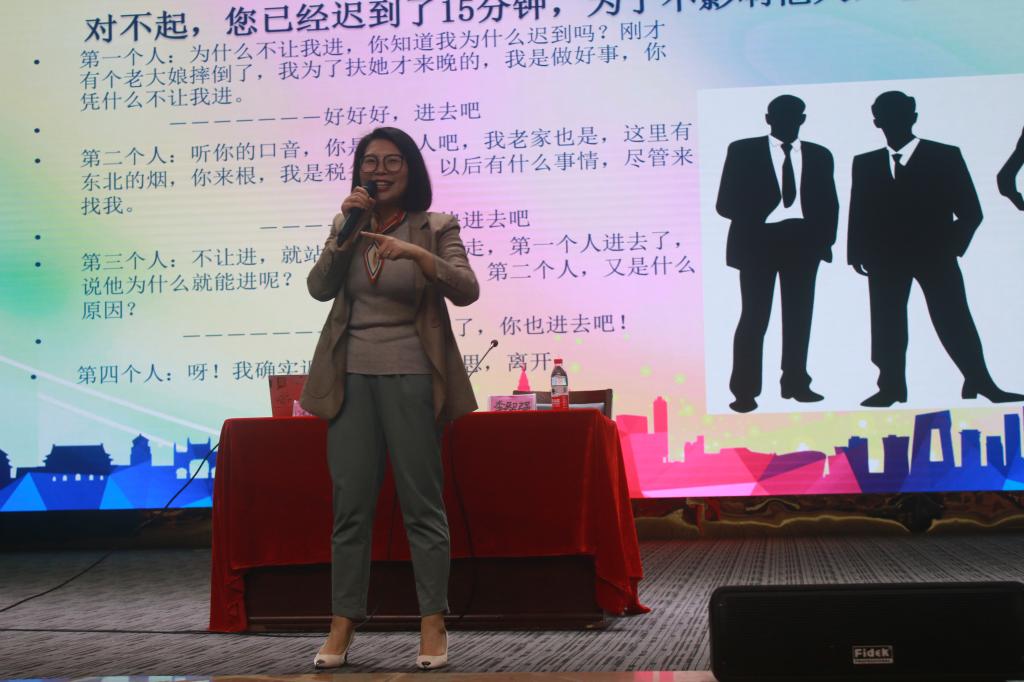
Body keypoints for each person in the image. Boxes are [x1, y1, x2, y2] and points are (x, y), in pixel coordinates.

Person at [298, 127, 480, 670]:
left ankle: (432, 621)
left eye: (392, 161)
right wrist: (344, 233)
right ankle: (342, 622)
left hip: (413, 375)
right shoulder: (346, 225)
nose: (380, 171)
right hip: (350, 378)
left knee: (422, 504)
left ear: (410, 170)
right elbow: (319, 288)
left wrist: (419, 256)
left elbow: (466, 288)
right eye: (370, 162)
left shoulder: (436, 227)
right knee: (350, 507)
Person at [848, 91, 1023, 407]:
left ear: (913, 118)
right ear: (877, 122)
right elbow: (858, 211)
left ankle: (980, 380)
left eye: (899, 115)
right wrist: (856, 252)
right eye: (886, 116)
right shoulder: (865, 163)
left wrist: (948, 248)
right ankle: (891, 388)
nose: (893, 122)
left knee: (954, 319)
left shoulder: (944, 155)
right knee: (886, 324)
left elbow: (971, 212)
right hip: (884, 259)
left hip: (934, 256)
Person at [716, 94, 839, 413]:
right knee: (754, 317)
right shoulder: (742, 150)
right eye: (781, 115)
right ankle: (744, 392)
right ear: (768, 119)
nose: (787, 121)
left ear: (802, 119)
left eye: (793, 115)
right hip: (758, 243)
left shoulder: (820, 155)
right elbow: (725, 203)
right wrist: (765, 208)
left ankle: (796, 383)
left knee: (799, 317)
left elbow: (830, 203)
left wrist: (823, 242)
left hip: (803, 243)